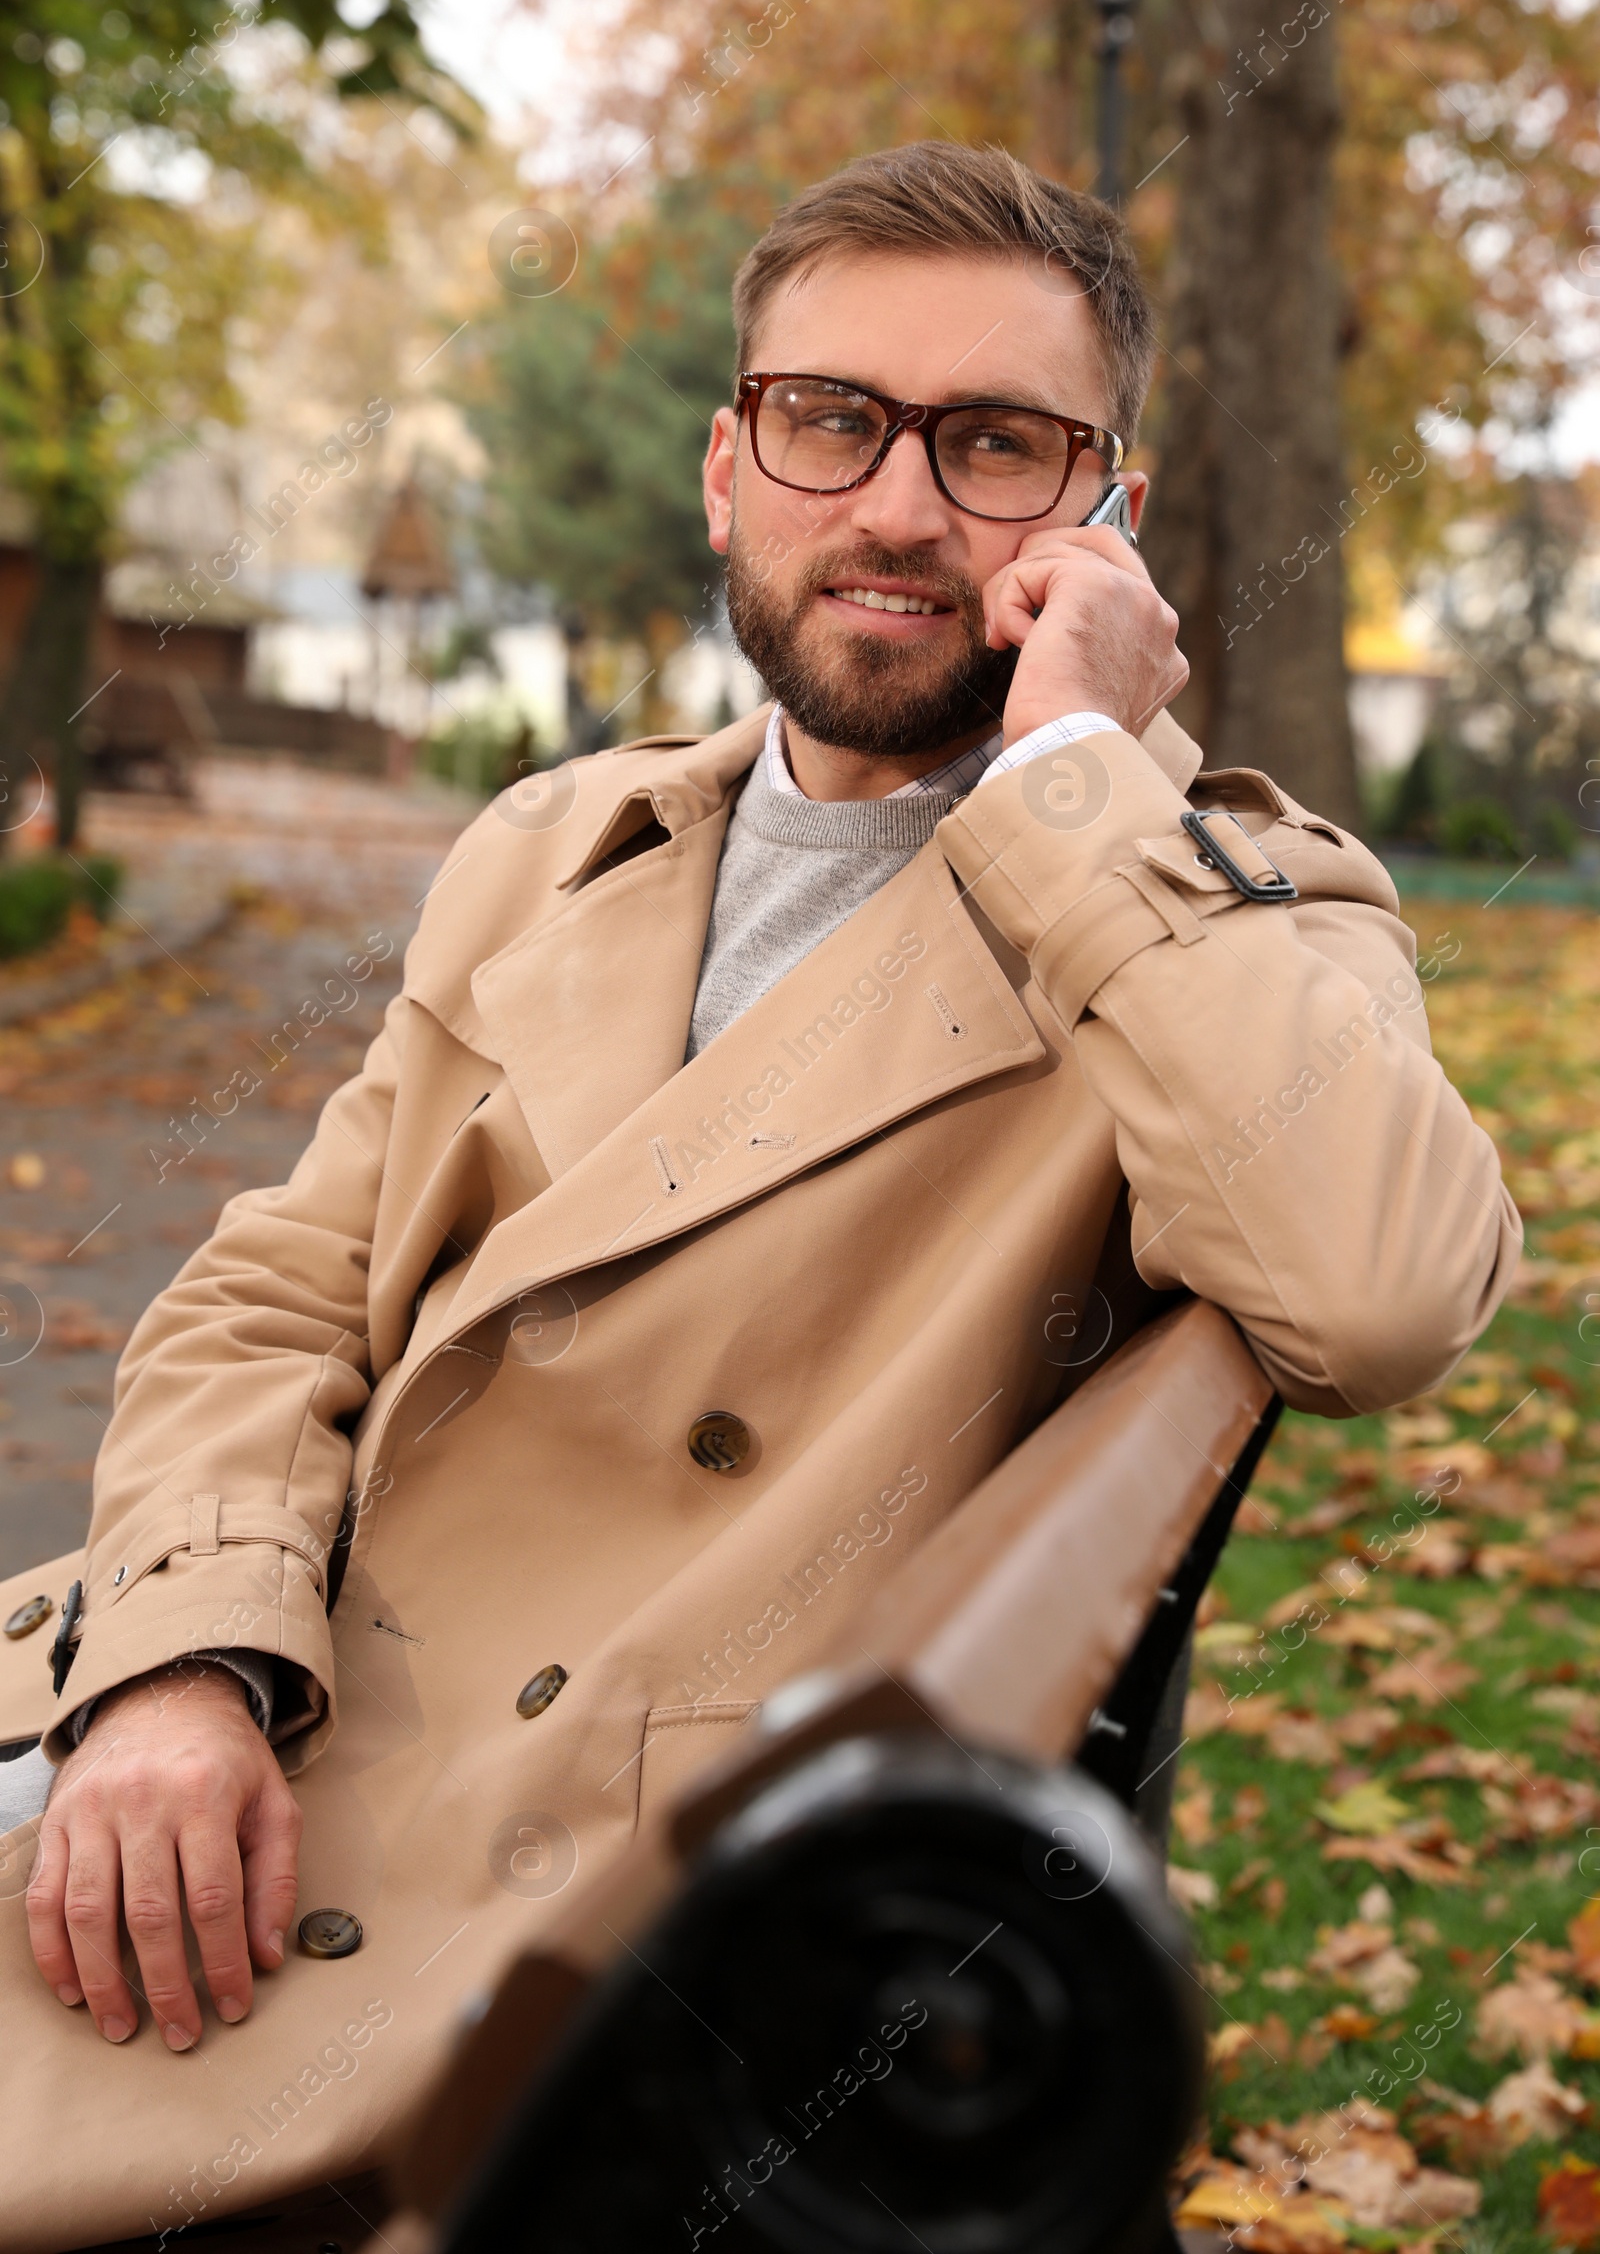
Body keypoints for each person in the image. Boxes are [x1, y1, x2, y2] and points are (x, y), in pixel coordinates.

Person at [0, 140, 1518, 2249]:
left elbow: (1379, 1292)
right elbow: (280, 1291)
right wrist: (178, 1664)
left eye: (996, 445)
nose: (897, 505)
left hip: (538, 1918)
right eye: (829, 421)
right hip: (251, 1737)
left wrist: (1076, 774)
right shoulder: (559, 841)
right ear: (729, 469)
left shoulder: (1220, 910)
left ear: (1106, 519)